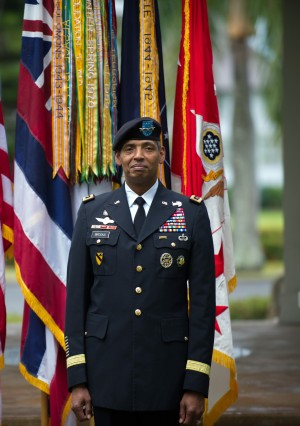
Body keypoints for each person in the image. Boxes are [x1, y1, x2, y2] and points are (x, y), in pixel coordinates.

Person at [64, 117, 216, 425]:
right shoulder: (92, 212)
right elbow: (76, 302)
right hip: (107, 378)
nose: (138, 155)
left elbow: (202, 307)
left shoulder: (190, 213)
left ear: (161, 155)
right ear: (118, 157)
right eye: (130, 148)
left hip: (168, 380)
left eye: (148, 148)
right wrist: (77, 378)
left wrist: (196, 384)